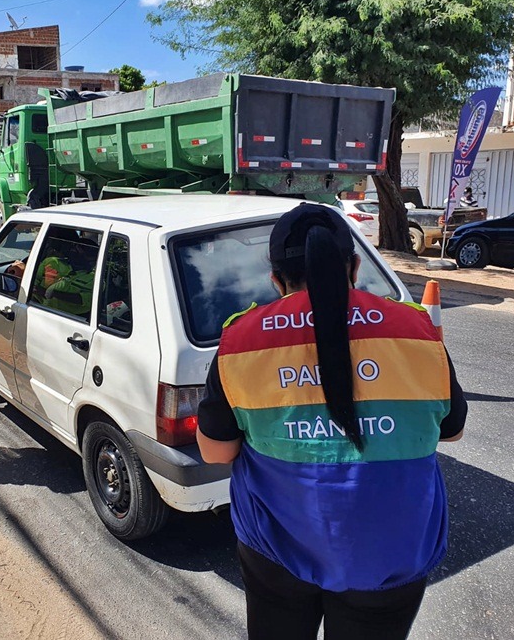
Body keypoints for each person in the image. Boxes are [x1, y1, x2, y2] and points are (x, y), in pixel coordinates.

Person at [197, 203, 467, 640]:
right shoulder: (417, 332)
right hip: (391, 552)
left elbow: (215, 451)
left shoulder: (239, 341)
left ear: (276, 278)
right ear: (355, 266)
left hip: (276, 547)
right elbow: (451, 430)